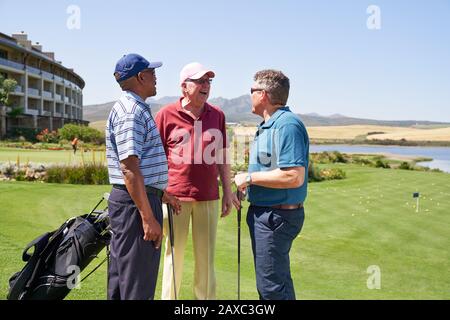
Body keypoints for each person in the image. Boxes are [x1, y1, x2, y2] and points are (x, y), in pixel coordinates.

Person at [155, 62, 239, 300]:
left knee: (207, 260)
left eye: (208, 82)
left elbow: (223, 156)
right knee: (174, 257)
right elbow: (155, 157)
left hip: (209, 197)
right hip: (174, 198)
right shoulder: (165, 114)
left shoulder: (218, 115)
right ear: (184, 87)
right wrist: (160, 192)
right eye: (200, 81)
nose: (206, 86)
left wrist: (227, 192)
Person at [105, 53, 180, 300]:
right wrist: (148, 217)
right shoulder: (131, 111)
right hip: (135, 207)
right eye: (152, 72)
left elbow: (138, 166)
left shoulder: (134, 108)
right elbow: (129, 167)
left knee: (124, 281)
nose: (156, 77)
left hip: (137, 201)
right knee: (137, 285)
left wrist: (161, 192)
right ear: (140, 77)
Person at [234, 69, 309, 300]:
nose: (250, 96)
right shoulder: (268, 125)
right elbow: (271, 171)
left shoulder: (287, 125)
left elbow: (293, 176)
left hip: (276, 218)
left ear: (263, 94)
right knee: (276, 284)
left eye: (251, 91)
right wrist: (248, 182)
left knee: (271, 289)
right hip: (266, 214)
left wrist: (249, 178)